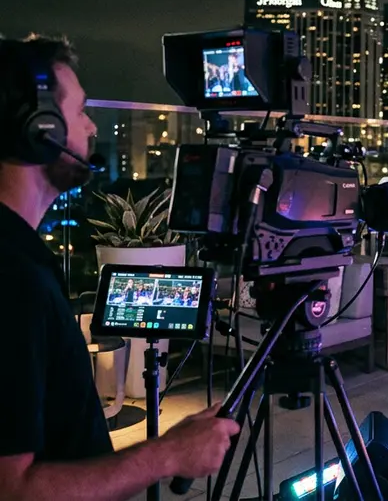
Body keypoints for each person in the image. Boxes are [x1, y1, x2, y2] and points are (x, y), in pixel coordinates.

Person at [0, 38, 239, 501]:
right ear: (38, 128)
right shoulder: (11, 279)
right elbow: (12, 489)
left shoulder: (20, 255)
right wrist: (167, 455)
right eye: (82, 110)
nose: (92, 126)